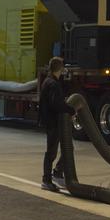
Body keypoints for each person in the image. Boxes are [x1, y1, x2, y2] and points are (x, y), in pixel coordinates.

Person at [37, 57, 71, 192]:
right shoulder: (53, 84)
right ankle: (46, 180)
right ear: (60, 68)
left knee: (67, 148)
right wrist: (70, 109)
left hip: (52, 122)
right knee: (51, 152)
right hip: (53, 122)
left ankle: (57, 172)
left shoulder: (49, 81)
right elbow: (56, 104)